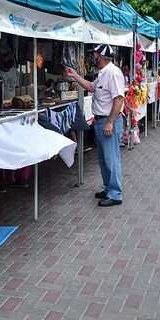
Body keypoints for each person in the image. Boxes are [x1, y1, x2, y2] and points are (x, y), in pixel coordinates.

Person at [65, 44, 125, 207]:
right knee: (104, 159)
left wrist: (110, 122)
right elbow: (91, 87)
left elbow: (119, 99)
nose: (93, 57)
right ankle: (108, 189)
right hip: (101, 121)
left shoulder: (112, 73)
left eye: (95, 54)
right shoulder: (103, 73)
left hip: (107, 121)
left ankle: (115, 194)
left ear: (102, 56)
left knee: (111, 158)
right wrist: (75, 76)